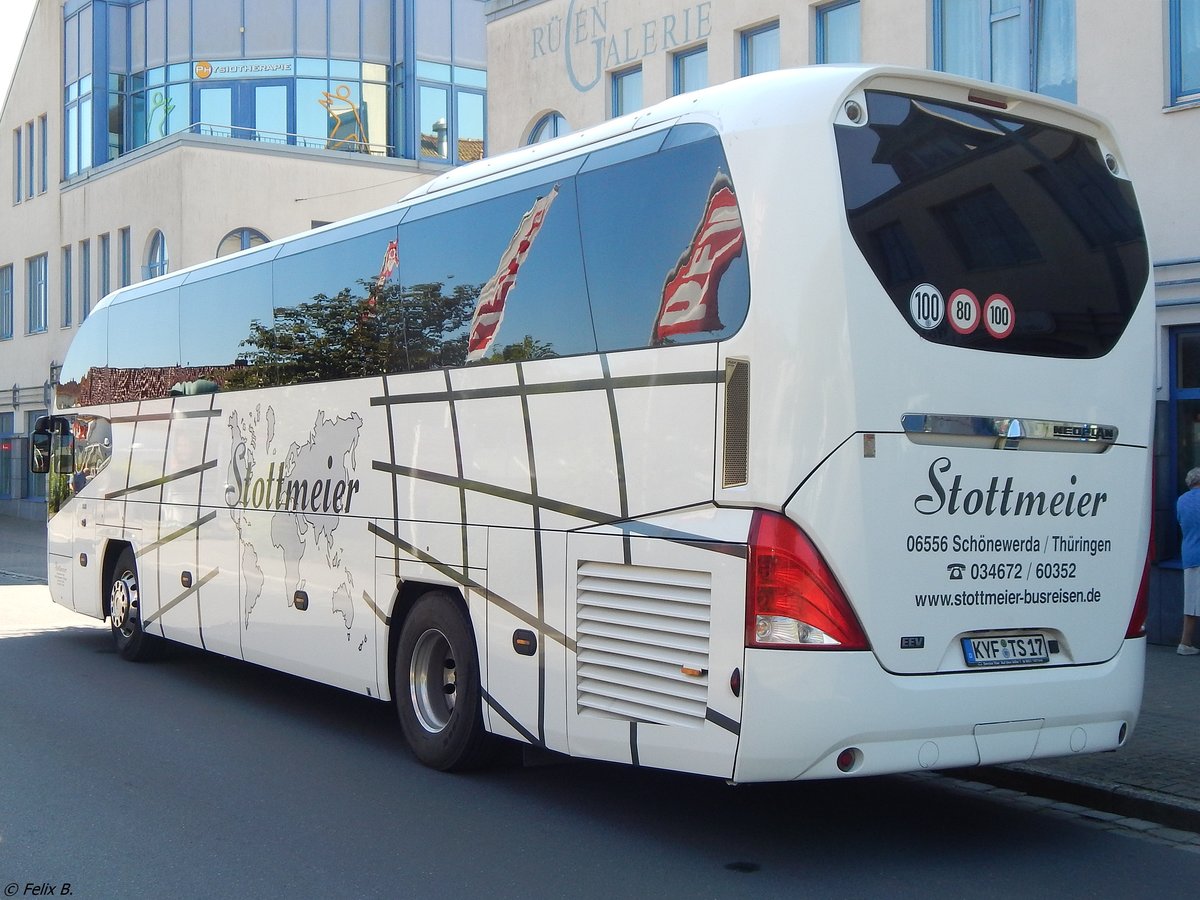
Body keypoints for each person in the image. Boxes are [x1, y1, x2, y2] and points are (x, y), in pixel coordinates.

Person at [1176, 467, 1200, 655]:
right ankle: (1184, 644)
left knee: (1191, 602)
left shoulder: (1182, 500)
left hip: (1189, 555)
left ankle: (1186, 641)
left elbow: (1181, 523)